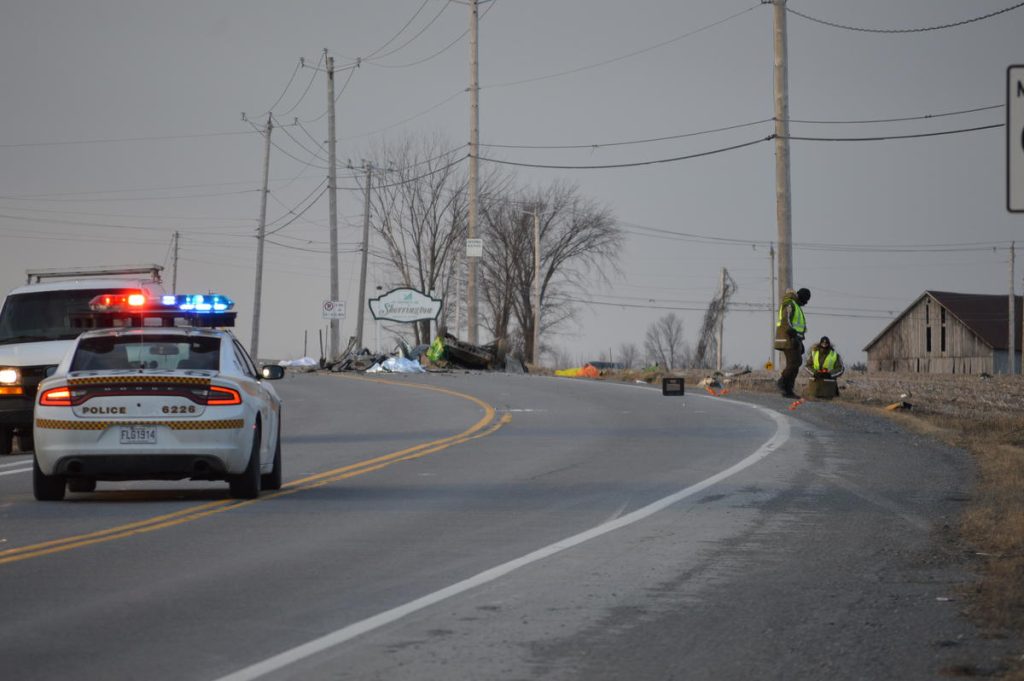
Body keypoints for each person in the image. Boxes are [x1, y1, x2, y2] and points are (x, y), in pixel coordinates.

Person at [774, 287, 810, 398]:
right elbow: (786, 319)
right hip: (788, 338)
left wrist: (800, 341)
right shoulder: (790, 303)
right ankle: (783, 383)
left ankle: (788, 389)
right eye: (806, 299)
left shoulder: (796, 305)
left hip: (794, 338)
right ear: (801, 296)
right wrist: (793, 336)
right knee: (794, 362)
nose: (806, 302)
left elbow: (797, 326)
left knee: (797, 362)